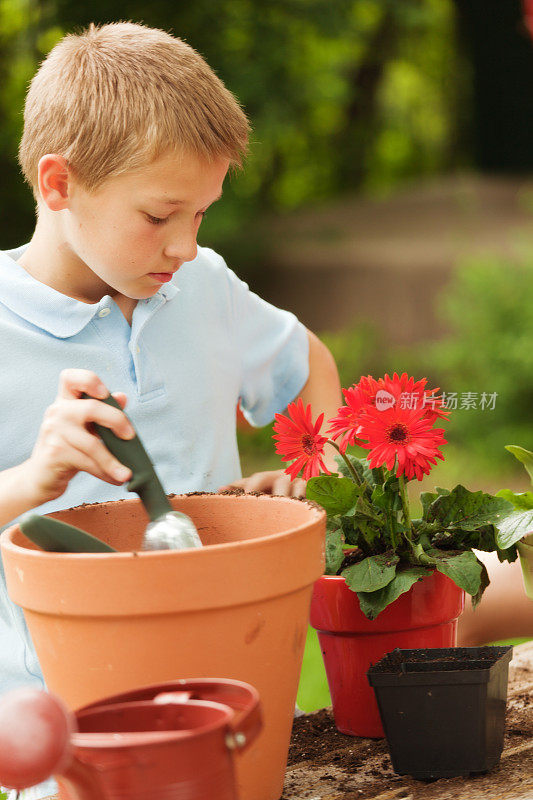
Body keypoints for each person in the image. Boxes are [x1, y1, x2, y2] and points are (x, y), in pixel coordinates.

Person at [0, 20, 342, 697]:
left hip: (233, 691)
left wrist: (314, 479)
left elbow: (310, 370)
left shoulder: (203, 286)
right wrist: (34, 479)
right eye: (159, 217)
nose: (184, 246)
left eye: (201, 216)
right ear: (59, 183)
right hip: (64, 729)